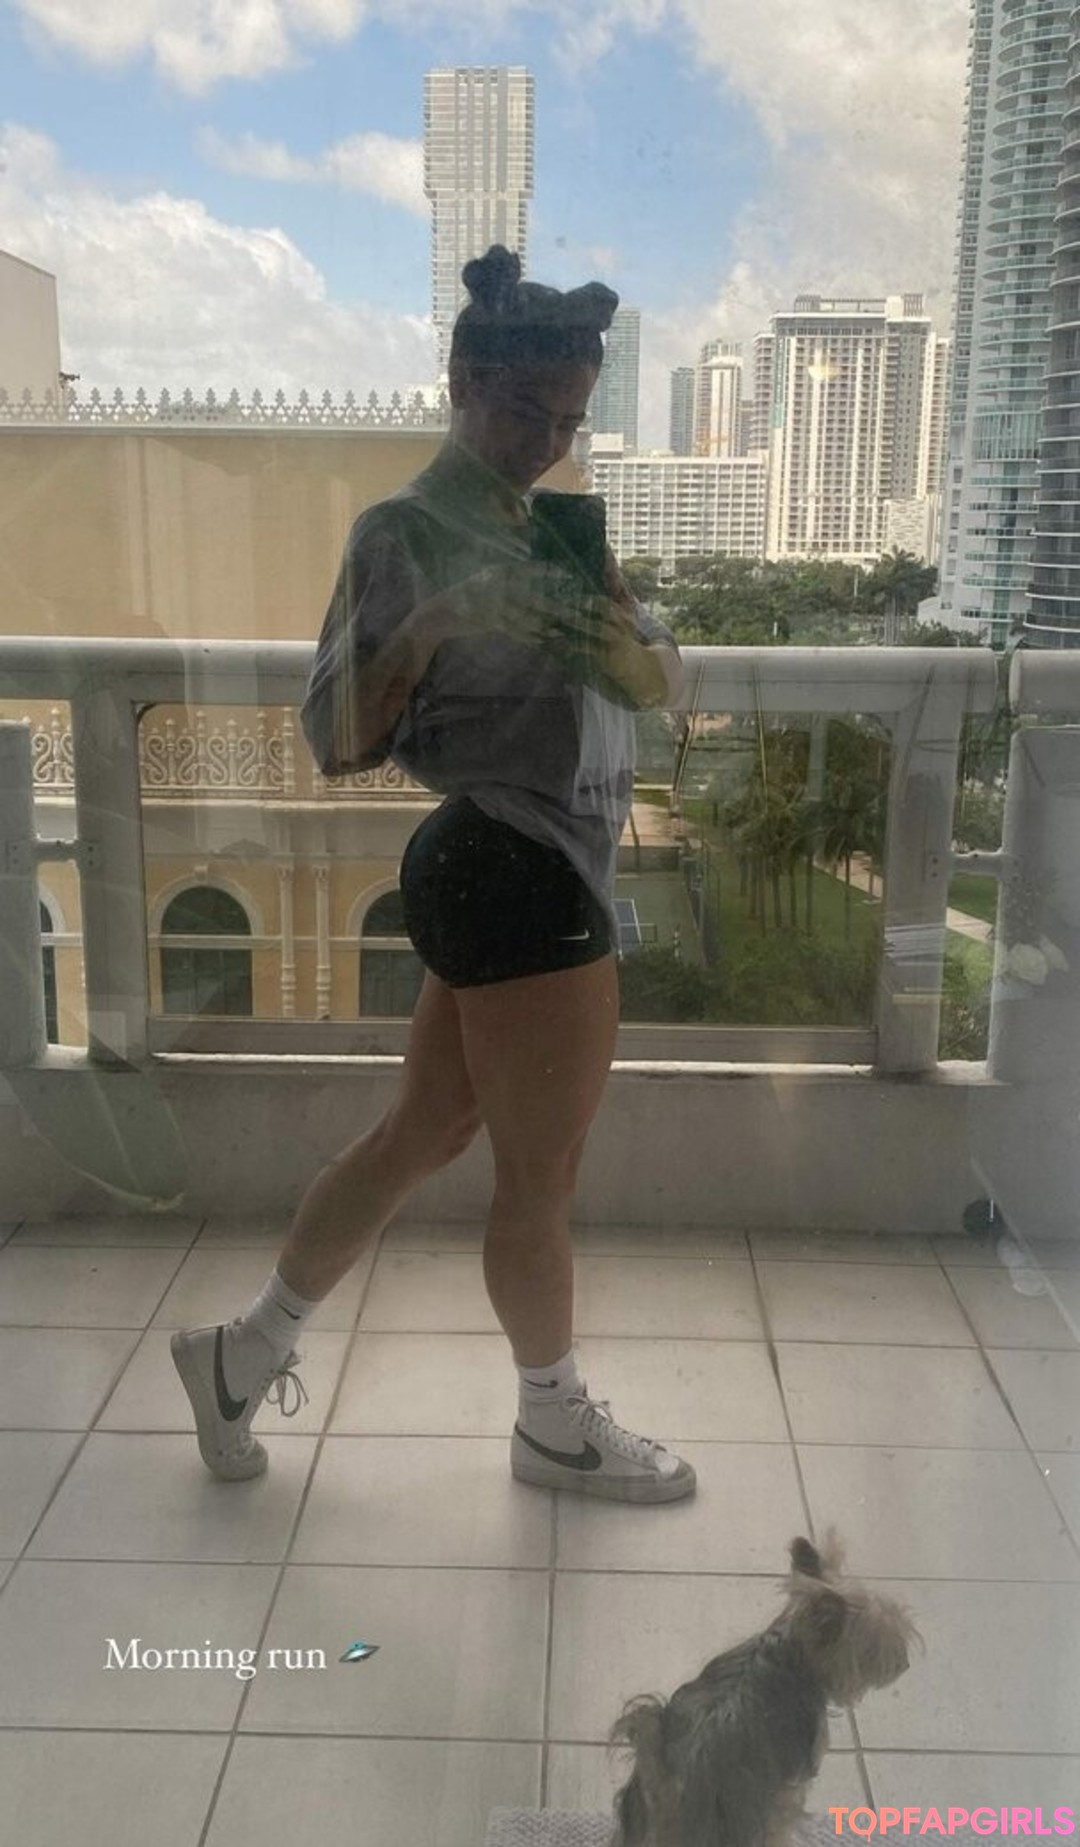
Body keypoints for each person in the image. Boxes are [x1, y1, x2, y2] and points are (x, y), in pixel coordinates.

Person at [171, 245, 694, 1505]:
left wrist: (618, 625)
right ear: (461, 380)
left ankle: (242, 1352)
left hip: (512, 863)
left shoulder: (542, 522)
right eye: (525, 411)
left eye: (569, 420)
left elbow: (660, 685)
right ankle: (553, 1422)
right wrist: (438, 621)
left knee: (421, 1132)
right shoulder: (404, 532)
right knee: (537, 1180)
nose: (546, 442)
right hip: (516, 869)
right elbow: (335, 736)